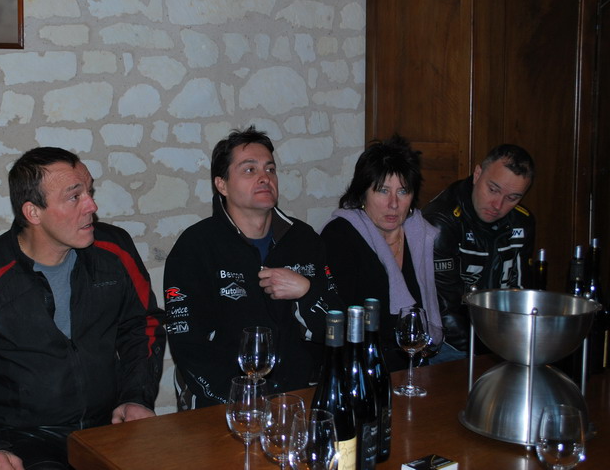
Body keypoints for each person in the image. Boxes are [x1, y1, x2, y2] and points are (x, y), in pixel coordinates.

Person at [0, 147, 165, 470]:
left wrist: (136, 396)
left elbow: (142, 324)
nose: (92, 205)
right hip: (19, 442)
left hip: (107, 428)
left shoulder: (115, 250)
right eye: (74, 197)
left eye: (89, 191)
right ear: (33, 212)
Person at [163, 126, 341, 409]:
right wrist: (239, 400)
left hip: (297, 400)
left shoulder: (305, 240)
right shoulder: (195, 246)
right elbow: (188, 344)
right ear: (221, 185)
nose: (264, 177)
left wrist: (307, 292)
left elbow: (338, 328)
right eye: (249, 170)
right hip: (221, 403)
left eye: (270, 169)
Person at [319, 135, 444, 371]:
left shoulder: (421, 233)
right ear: (362, 194)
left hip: (416, 363)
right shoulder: (339, 236)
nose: (394, 204)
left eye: (403, 191)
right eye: (383, 191)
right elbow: (337, 319)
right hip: (361, 365)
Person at [422, 144, 535, 357]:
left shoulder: (523, 221)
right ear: (477, 174)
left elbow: (522, 292)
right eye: (493, 189)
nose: (497, 205)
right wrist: (489, 353)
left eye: (512, 198)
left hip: (502, 339)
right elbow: (444, 310)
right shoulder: (441, 221)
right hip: (450, 343)